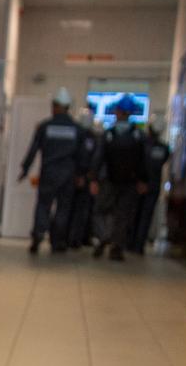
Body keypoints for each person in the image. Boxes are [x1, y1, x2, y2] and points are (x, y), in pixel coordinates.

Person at [16, 87, 82, 254]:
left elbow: (33, 149)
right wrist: (81, 174)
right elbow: (81, 155)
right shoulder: (77, 129)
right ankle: (57, 241)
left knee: (43, 205)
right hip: (68, 175)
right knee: (63, 209)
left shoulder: (45, 127)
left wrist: (25, 169)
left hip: (49, 173)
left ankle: (38, 235)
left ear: (57, 106)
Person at [94, 98, 150, 261]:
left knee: (104, 211)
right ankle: (114, 245)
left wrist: (93, 178)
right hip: (126, 182)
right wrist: (143, 180)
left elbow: (98, 158)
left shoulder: (110, 134)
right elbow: (144, 161)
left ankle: (106, 238)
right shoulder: (138, 136)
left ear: (118, 112)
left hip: (113, 181)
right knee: (121, 214)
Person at [134, 121, 171, 253]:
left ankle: (132, 243)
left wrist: (141, 182)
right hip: (153, 186)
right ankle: (139, 245)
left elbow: (139, 164)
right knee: (146, 217)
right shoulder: (164, 148)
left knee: (136, 215)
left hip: (140, 185)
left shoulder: (141, 146)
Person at [67, 109, 101, 248]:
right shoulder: (82, 136)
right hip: (76, 177)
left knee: (79, 210)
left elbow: (93, 159)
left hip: (81, 178)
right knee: (75, 209)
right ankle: (72, 237)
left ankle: (75, 238)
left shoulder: (89, 138)